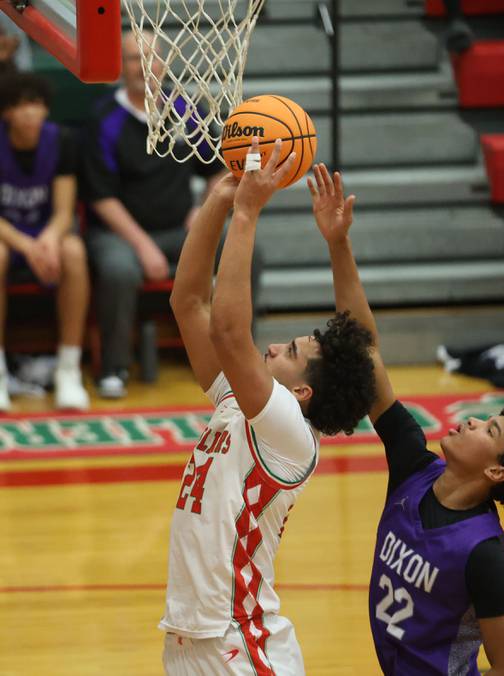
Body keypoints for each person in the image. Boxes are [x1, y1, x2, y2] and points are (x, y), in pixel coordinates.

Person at [308, 162, 504, 675]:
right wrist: (338, 244)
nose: (471, 422)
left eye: (489, 430)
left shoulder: (484, 557)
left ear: (496, 471)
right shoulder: (413, 464)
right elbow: (365, 351)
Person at [159, 139, 377, 674]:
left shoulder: (288, 433)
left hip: (239, 640)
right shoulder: (237, 400)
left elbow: (230, 332)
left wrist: (247, 212)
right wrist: (218, 201)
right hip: (196, 634)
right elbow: (188, 301)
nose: (275, 347)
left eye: (292, 353)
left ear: (302, 393)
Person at [81, 31, 262, 399]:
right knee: (118, 269)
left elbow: (219, 168)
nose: (145, 66)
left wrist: (205, 212)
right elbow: (102, 198)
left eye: (153, 57)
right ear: (120, 66)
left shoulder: (185, 109)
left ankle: (238, 356)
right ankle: (113, 369)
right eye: (135, 58)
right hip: (119, 235)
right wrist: (142, 245)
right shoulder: (103, 119)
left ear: (165, 62)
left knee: (246, 251)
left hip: (180, 231)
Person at [0, 72, 89, 411]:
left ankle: (68, 369)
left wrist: (48, 241)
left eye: (36, 104)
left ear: (46, 109)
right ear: (7, 112)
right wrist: (28, 247)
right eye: (21, 105)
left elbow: (64, 211)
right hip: (9, 236)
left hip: (45, 232)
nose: (30, 112)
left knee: (74, 251)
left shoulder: (62, 140)